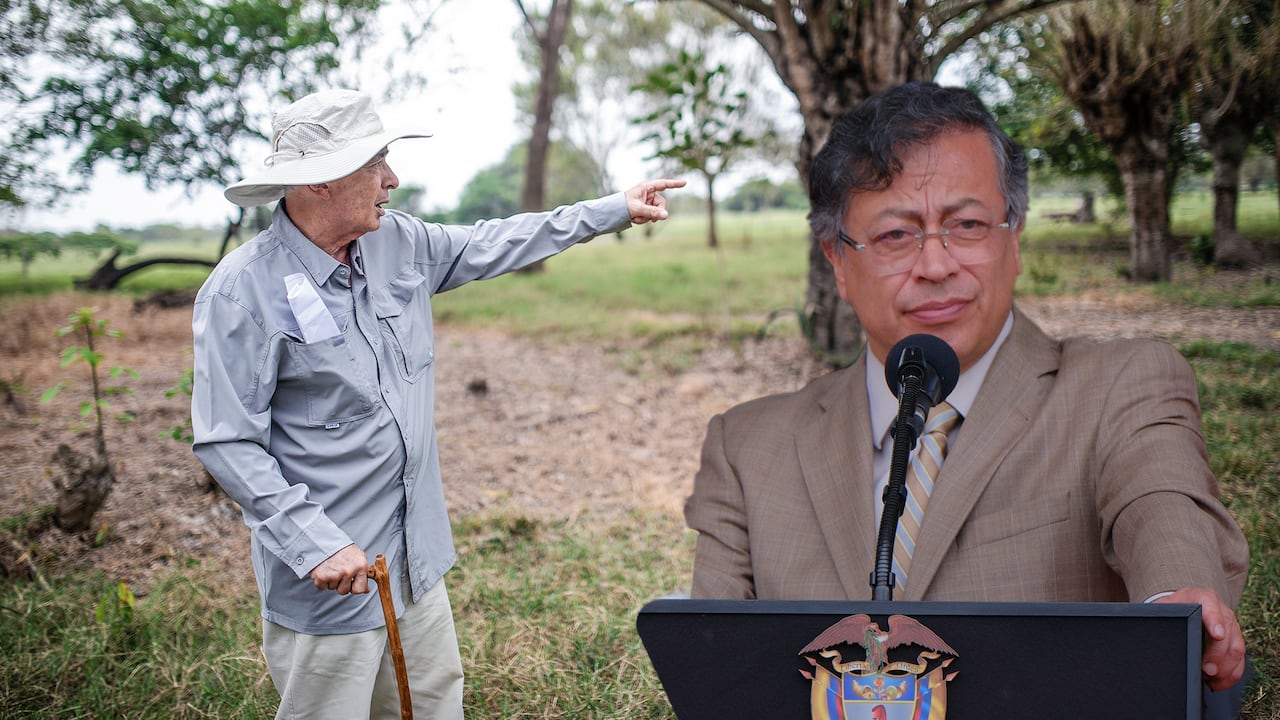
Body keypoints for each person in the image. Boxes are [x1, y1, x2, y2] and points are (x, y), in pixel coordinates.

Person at [683, 83, 1249, 703]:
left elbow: (1162, 501)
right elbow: (714, 667)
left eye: (968, 225)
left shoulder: (1119, 388)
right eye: (897, 236)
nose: (937, 264)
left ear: (1014, 238)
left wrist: (1176, 599)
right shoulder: (747, 447)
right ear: (838, 262)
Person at [191, 88, 683, 720]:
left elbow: (497, 240)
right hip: (334, 579)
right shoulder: (240, 291)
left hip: (414, 561)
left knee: (432, 708)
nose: (392, 180)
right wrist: (313, 543)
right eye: (375, 165)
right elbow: (228, 440)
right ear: (317, 182)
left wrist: (613, 209)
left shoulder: (399, 242)